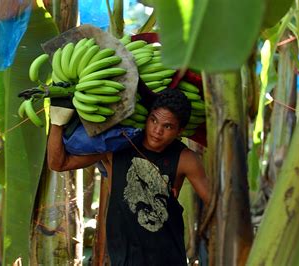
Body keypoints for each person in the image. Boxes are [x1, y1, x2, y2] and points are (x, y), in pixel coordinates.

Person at [47, 89, 210, 265]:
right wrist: (57, 121)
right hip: (123, 258)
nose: (157, 130)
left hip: (168, 259)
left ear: (180, 130)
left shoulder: (185, 159)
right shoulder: (118, 147)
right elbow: (58, 163)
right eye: (153, 120)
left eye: (167, 126)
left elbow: (214, 202)